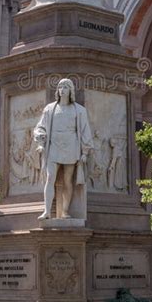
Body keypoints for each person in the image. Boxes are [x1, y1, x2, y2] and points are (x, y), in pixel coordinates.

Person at [34, 79, 93, 220]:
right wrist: (41, 142)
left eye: (66, 87)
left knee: (68, 181)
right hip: (53, 146)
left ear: (71, 90)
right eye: (60, 87)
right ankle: (47, 211)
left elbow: (85, 130)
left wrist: (84, 152)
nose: (62, 89)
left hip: (71, 147)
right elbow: (40, 127)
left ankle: (65, 211)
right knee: (50, 178)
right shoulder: (50, 109)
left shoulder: (79, 110)